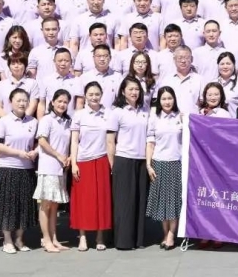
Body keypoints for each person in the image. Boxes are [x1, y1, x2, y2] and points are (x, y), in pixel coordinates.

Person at [0, 89, 39, 254]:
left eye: (25, 100)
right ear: (11, 102)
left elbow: (39, 142)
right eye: (18, 100)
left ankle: (19, 238)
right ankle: (7, 239)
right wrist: (18, 153)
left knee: (24, 205)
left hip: (27, 168)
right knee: (8, 205)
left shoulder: (33, 121)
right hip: (8, 168)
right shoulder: (4, 121)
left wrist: (35, 152)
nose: (22, 103)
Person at [108, 77, 150, 250]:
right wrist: (113, 165)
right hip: (124, 159)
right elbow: (110, 141)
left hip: (142, 160)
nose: (134, 92)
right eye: (131, 89)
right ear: (123, 91)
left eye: (137, 89)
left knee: (139, 201)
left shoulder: (145, 110)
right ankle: (123, 241)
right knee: (124, 202)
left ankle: (138, 240)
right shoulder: (117, 112)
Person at [70, 81, 112, 251]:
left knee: (102, 200)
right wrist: (74, 163)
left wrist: (111, 163)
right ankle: (83, 237)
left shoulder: (108, 113)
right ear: (85, 96)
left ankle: (100, 236)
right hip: (83, 161)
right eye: (91, 94)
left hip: (101, 159)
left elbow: (111, 140)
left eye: (97, 94)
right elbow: (74, 140)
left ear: (101, 95)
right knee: (83, 201)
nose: (94, 97)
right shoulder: (79, 115)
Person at [145, 86, 184, 251]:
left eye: (170, 98)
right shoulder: (154, 118)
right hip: (159, 162)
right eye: (164, 99)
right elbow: (150, 143)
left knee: (173, 201)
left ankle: (171, 235)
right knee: (162, 201)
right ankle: (165, 232)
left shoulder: (180, 117)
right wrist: (148, 165)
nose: (167, 102)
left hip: (176, 162)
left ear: (174, 99)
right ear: (159, 101)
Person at [34, 89, 73, 253]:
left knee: (55, 205)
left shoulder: (67, 122)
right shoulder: (46, 119)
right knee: (46, 204)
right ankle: (46, 239)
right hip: (48, 166)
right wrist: (58, 155)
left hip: (61, 168)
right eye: (59, 101)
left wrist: (68, 157)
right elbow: (42, 141)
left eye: (65, 102)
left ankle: (54, 238)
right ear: (52, 102)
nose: (62, 104)